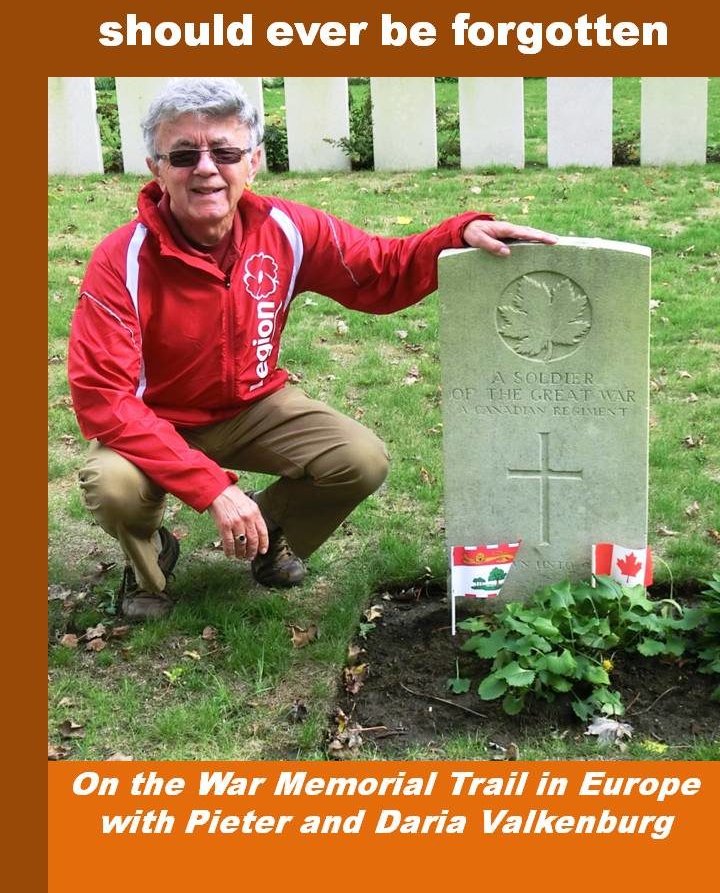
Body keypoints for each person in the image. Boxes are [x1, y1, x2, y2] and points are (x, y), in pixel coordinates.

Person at [68, 77, 557, 621]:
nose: (205, 167)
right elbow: (104, 398)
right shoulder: (121, 260)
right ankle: (151, 566)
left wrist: (458, 234)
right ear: (155, 168)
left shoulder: (287, 229)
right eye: (183, 154)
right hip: (154, 416)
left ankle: (271, 526)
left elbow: (378, 273)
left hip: (251, 405)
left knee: (359, 459)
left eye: (225, 151)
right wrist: (213, 490)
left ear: (252, 161)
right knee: (112, 485)